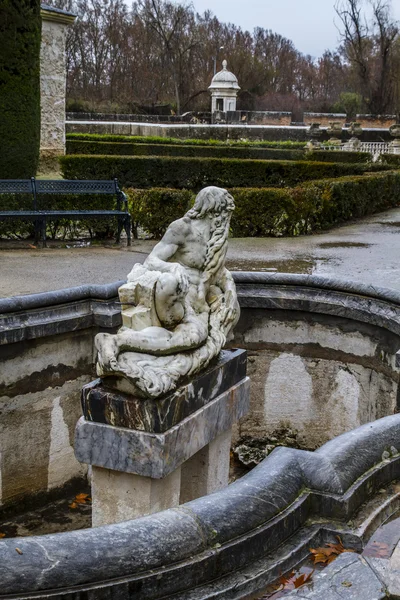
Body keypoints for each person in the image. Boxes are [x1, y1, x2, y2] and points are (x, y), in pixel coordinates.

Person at [95, 186, 239, 378]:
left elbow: (216, 271)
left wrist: (229, 290)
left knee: (191, 336)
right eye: (225, 214)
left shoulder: (215, 239)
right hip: (179, 295)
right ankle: (118, 342)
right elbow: (151, 260)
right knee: (193, 336)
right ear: (213, 212)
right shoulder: (182, 228)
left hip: (199, 302)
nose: (226, 221)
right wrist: (172, 267)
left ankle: (119, 342)